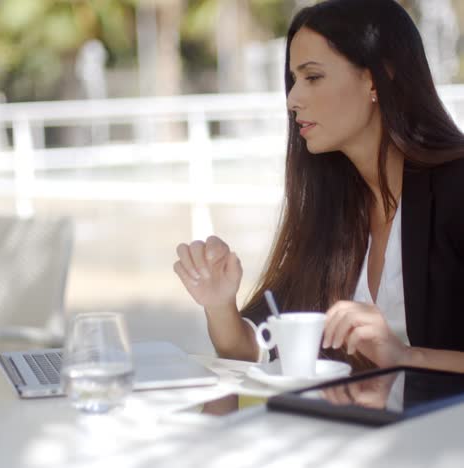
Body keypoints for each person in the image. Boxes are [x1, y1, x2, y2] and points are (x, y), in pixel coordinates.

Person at [173, 0, 464, 373]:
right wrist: (219, 305)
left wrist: (409, 357)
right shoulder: (334, 207)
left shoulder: (456, 188)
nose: (293, 100)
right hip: (362, 428)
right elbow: (257, 350)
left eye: (312, 77)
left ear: (377, 76)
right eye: (293, 80)